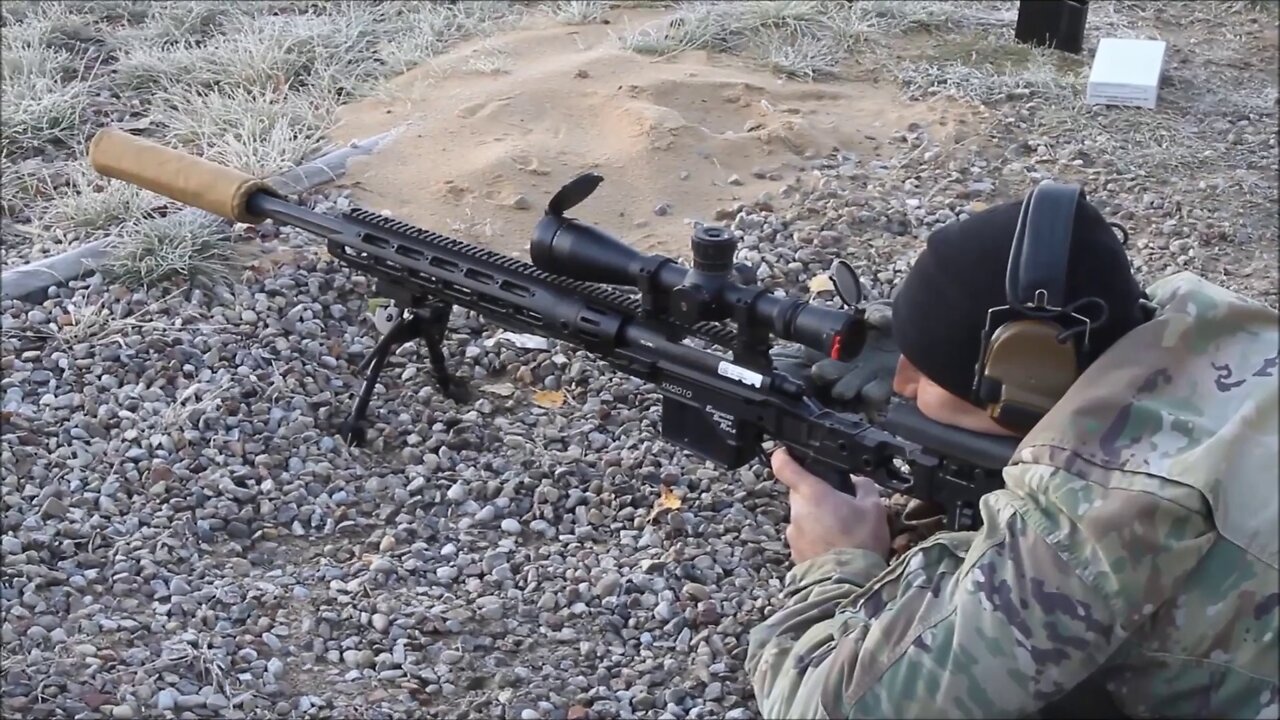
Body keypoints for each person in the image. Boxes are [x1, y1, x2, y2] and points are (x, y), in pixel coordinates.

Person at [748, 190, 1280, 719]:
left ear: (1023, 385)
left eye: (923, 369)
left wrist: (834, 560)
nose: (901, 382)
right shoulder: (1213, 327)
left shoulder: (1082, 524)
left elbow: (817, 708)